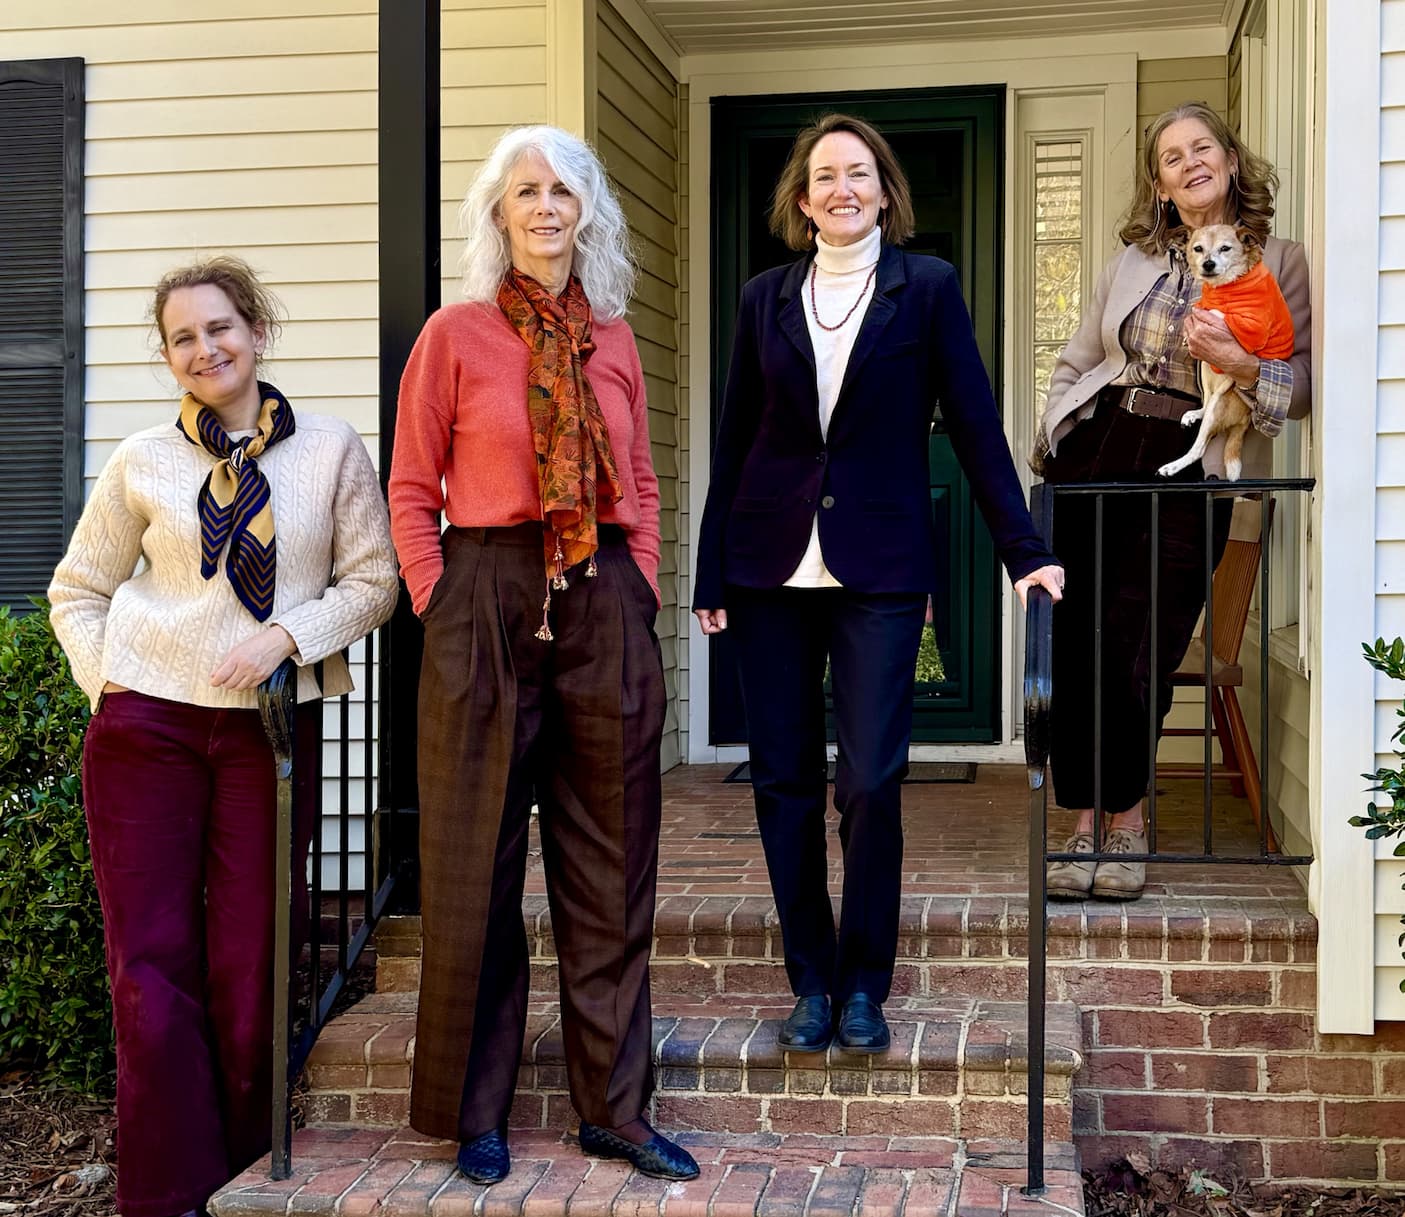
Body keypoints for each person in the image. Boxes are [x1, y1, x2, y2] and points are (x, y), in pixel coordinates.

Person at [692, 114, 1064, 1056]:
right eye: (824, 176)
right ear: (801, 197)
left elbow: (976, 426)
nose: (841, 189)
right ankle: (808, 983)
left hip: (881, 568)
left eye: (858, 173)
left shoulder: (925, 288)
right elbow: (733, 437)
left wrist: (1023, 550)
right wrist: (706, 566)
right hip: (769, 565)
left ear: (886, 192)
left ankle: (865, 982)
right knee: (781, 781)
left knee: (867, 779)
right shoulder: (761, 297)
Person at [47, 255, 398, 1217]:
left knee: (253, 955)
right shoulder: (141, 460)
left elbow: (375, 583)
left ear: (257, 330)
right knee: (149, 963)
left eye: (221, 327)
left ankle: (243, 1169)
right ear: (168, 357)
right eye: (184, 338)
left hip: (271, 733)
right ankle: (165, 1190)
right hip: (145, 729)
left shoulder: (329, 448)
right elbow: (76, 588)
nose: (206, 348)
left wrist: (289, 635)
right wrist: (109, 683)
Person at [387, 125, 697, 1186]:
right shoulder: (455, 333)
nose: (545, 206)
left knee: (611, 866)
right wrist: (440, 600)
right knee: (475, 865)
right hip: (483, 591)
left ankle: (614, 1108)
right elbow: (411, 487)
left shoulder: (611, 339)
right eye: (525, 190)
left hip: (602, 596)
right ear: (498, 213)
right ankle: (478, 1111)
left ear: (588, 212)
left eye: (563, 190)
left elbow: (644, 484)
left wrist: (642, 580)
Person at [1035, 101, 1311, 901]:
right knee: (1077, 640)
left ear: (1228, 161)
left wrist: (1241, 361)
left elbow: (1299, 392)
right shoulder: (1131, 261)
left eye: (1201, 148)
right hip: (1097, 448)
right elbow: (1079, 356)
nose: (1188, 163)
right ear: (1158, 185)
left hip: (1192, 461)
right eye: (1169, 157)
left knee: (1140, 642)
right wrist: (1051, 433)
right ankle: (1080, 818)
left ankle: (1126, 820)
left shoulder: (1279, 261)